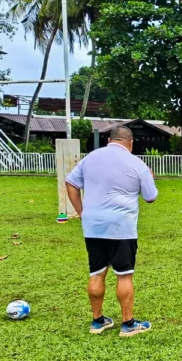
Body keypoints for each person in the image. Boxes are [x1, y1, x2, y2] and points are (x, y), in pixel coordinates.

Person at [65, 126, 157, 338]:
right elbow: (150, 197)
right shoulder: (137, 164)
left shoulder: (90, 158)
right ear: (131, 143)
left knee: (96, 272)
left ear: (109, 139)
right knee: (124, 274)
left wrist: (82, 212)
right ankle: (128, 323)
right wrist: (150, 177)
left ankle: (97, 321)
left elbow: (70, 183)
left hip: (93, 226)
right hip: (121, 227)